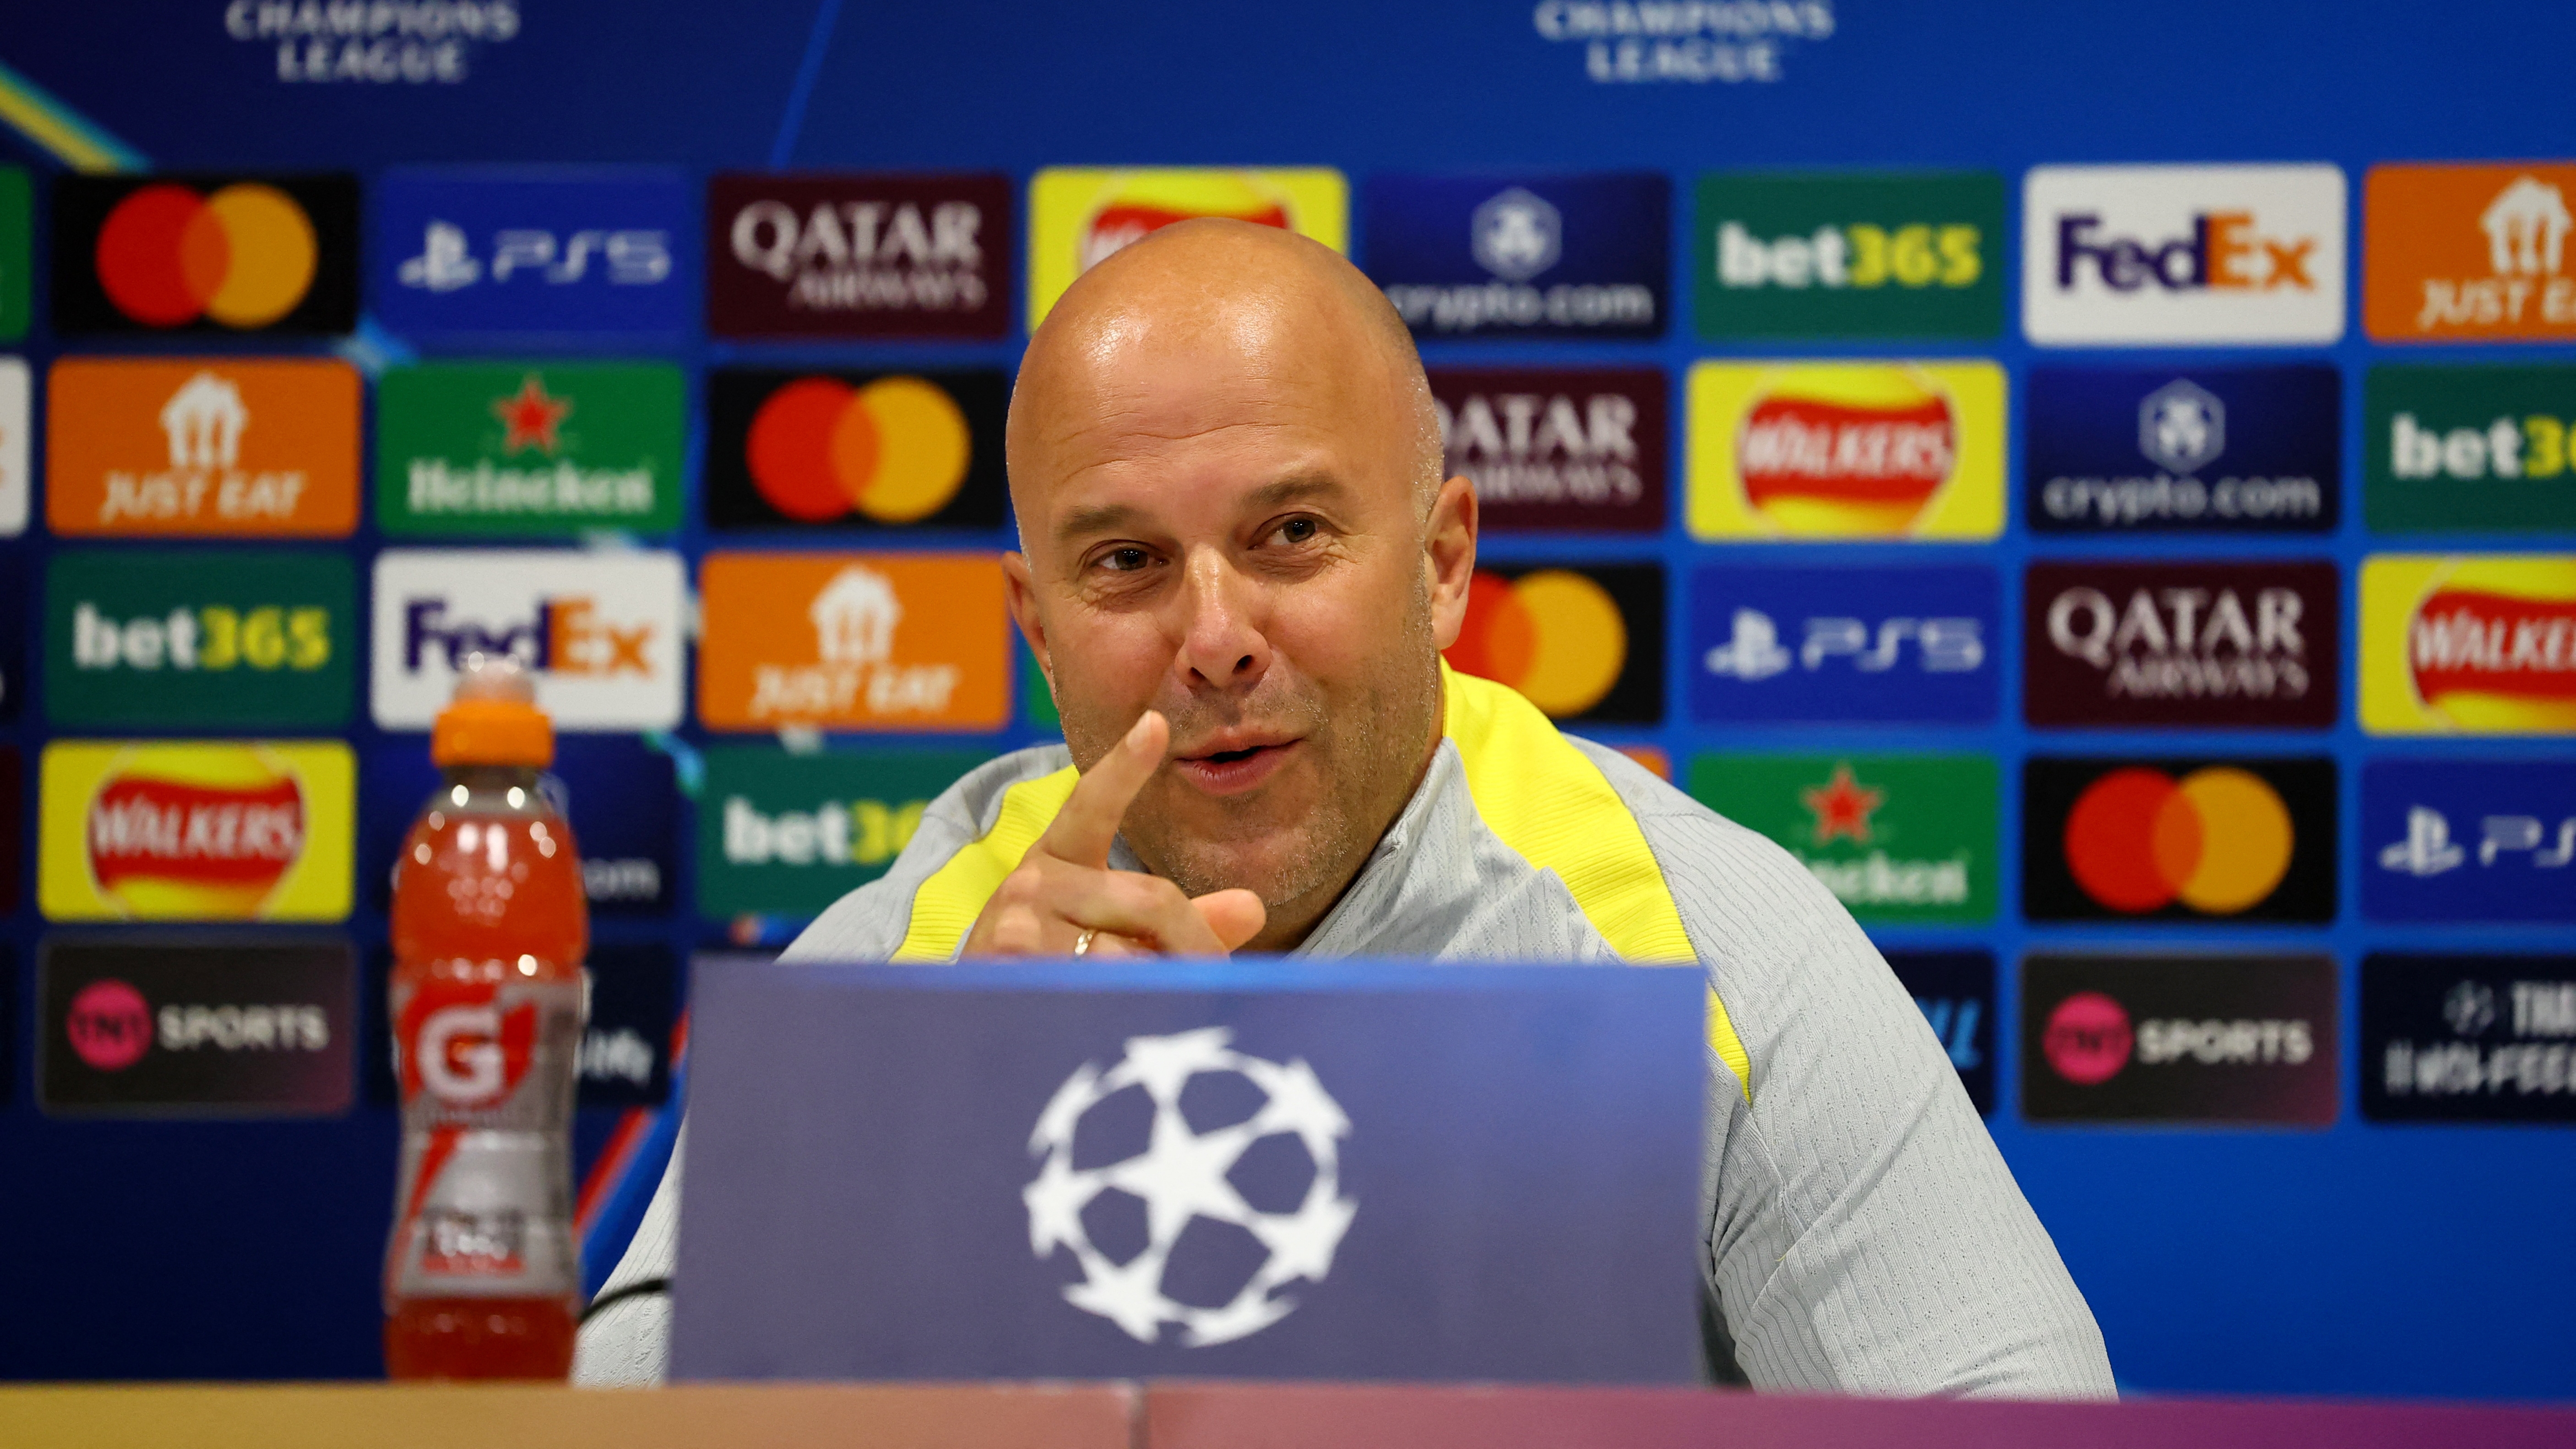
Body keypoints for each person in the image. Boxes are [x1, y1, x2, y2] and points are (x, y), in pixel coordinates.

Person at [577, 218, 2115, 1396]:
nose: (1215, 633)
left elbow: (2011, 1408)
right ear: (1037, 629)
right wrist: (926, 1157)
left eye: (1291, 533)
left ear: (1441, 565)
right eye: (1122, 564)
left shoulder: (1698, 945)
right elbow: (599, 1426)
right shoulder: (907, 962)